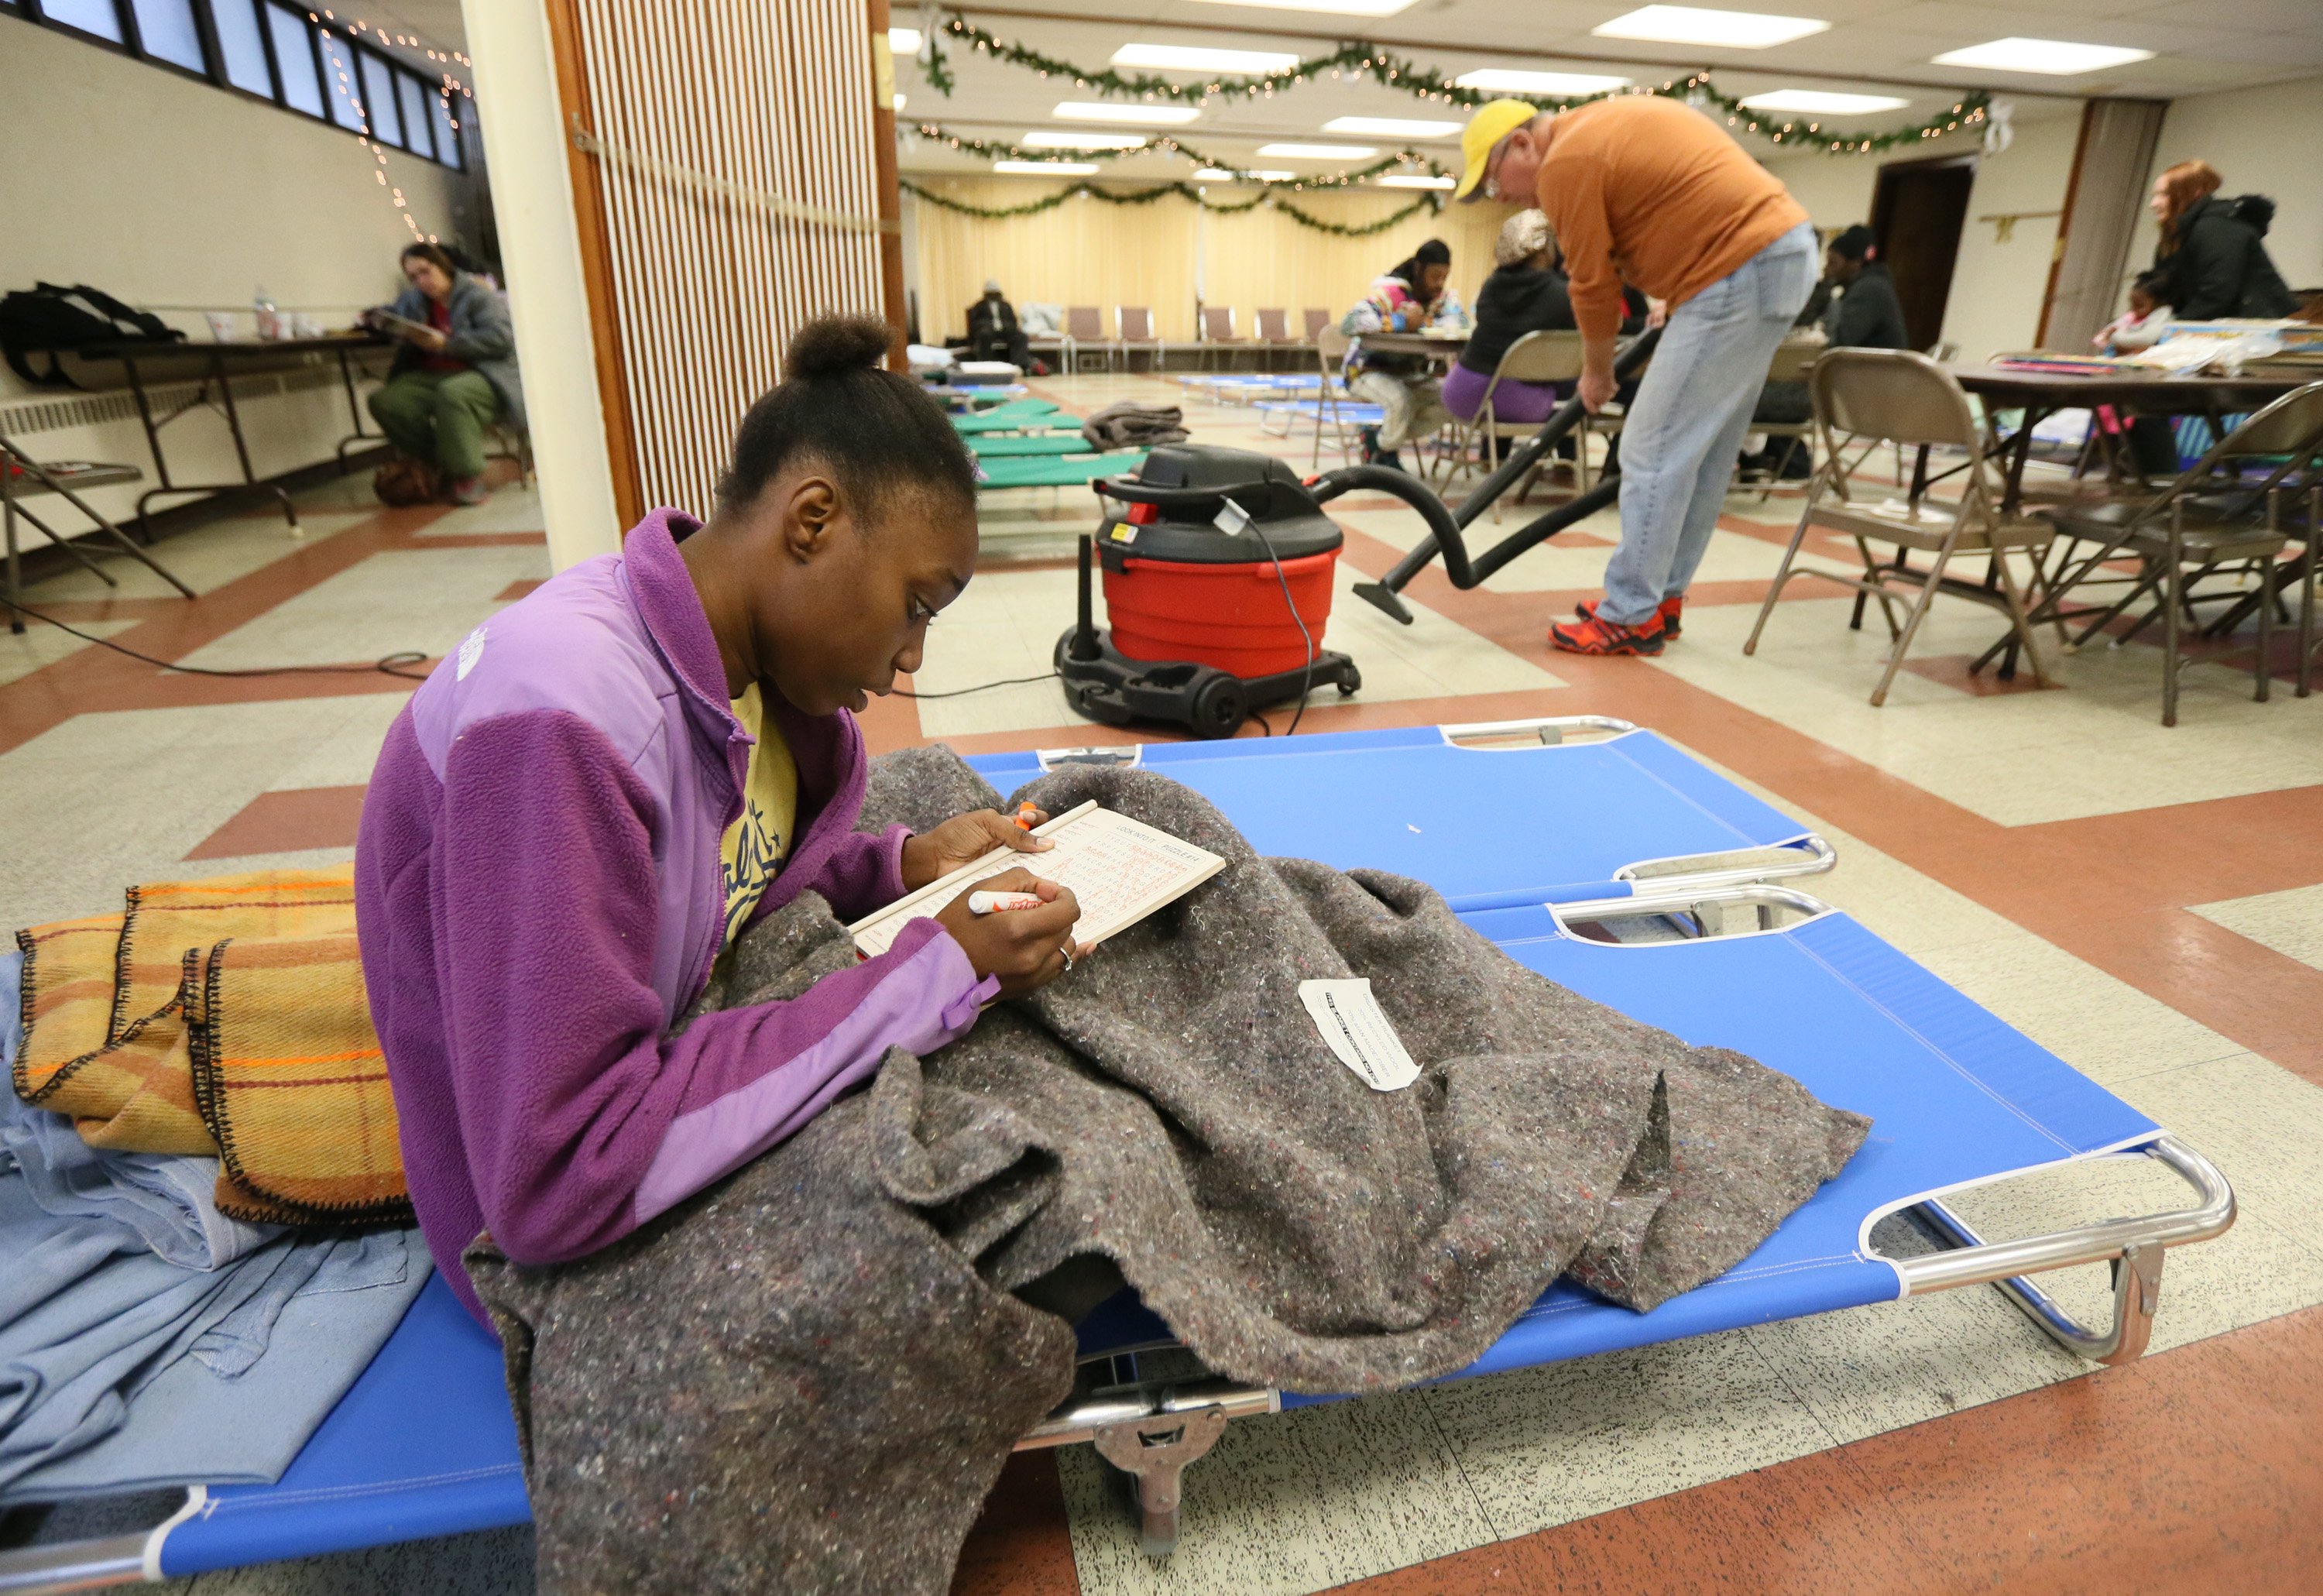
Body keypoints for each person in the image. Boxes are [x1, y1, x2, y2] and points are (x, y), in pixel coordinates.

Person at [354, 316, 1088, 1327]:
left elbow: (716, 878)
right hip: (549, 1223)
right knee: (1000, 1218)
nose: (913, 655)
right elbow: (556, 1179)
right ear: (813, 520)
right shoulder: (561, 720)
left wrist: (899, 867)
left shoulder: (740, 675)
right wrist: (934, 972)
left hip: (662, 1045)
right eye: (917, 604)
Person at [1458, 95, 1817, 656]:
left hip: (1740, 265)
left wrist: (1597, 375)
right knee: (1703, 452)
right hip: (1774, 255)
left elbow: (1592, 285)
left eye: (1490, 179)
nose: (1498, 196)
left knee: (1650, 447)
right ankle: (1660, 599)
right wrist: (1675, 294)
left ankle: (1631, 612)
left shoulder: (1565, 164)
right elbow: (1668, 207)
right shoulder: (1593, 130)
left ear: (1523, 144)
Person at [1741, 224, 1907, 480]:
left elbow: (1836, 342)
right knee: (1783, 384)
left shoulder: (1869, 291)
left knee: (1778, 386)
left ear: (1855, 263)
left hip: (1870, 389)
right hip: (1866, 380)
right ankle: (1781, 463)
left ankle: (1782, 464)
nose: (1826, 267)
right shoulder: (1869, 287)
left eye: (1834, 261)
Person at [365, 243, 525, 506]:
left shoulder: (478, 297)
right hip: (430, 374)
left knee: (453, 394)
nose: (421, 281)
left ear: (442, 266)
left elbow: (501, 340)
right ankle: (440, 463)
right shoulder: (413, 301)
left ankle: (466, 476)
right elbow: (393, 314)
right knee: (386, 401)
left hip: (482, 373)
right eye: (413, 277)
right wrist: (375, 319)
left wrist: (448, 344)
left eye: (425, 271)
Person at [1442, 210, 1577, 436]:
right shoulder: (1562, 295)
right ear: (1544, 250)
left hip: (1461, 392)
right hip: (1522, 403)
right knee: (1574, 379)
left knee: (1504, 367)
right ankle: (1565, 465)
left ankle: (1492, 460)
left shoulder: (1490, 286)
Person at [1340, 239, 1470, 472]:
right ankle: (1385, 455)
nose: (1440, 283)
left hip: (1408, 374)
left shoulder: (1441, 300)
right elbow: (1350, 322)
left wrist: (1427, 320)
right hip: (1364, 371)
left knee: (1452, 401)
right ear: (1419, 269)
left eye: (1445, 276)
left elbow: (1460, 322)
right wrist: (1400, 321)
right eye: (1435, 275)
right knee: (1400, 400)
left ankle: (1378, 441)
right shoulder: (1390, 294)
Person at [2094, 270, 2174, 353]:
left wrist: (2115, 337)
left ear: (2158, 305)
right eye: (2132, 304)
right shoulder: (2136, 315)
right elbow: (2117, 325)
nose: (2133, 309)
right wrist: (2108, 331)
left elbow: (2146, 339)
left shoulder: (2160, 318)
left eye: (2139, 305)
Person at [964, 279, 1032, 369]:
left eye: (995, 293)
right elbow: (975, 324)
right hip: (988, 330)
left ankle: (1019, 366)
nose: (993, 295)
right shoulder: (979, 306)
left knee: (1021, 337)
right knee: (984, 335)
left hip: (1005, 330)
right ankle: (987, 366)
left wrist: (1005, 325)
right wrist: (990, 324)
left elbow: (1013, 321)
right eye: (991, 293)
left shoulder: (1006, 305)